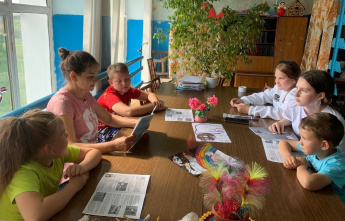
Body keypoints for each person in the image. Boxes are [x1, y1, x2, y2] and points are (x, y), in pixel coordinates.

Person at [0, 110, 102, 220]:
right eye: (63, 134)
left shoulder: (55, 154)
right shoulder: (23, 172)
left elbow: (94, 152)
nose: (67, 135)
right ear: (49, 149)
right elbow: (34, 216)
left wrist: (82, 167)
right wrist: (73, 186)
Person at [47, 48, 137, 153]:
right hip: (78, 163)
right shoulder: (62, 103)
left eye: (95, 75)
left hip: (93, 152)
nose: (96, 80)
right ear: (74, 76)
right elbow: (70, 146)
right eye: (90, 76)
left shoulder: (85, 94)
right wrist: (112, 146)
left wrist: (135, 122)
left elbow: (109, 118)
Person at [269, 70, 345, 156]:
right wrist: (281, 123)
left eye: (304, 90)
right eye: (297, 88)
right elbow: (290, 118)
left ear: (320, 96)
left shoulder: (333, 120)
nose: (296, 94)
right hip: (299, 150)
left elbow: (339, 152)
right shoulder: (295, 105)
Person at [279, 113, 345, 203]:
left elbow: (309, 183)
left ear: (324, 145)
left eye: (304, 138)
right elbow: (284, 142)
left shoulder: (336, 164)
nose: (300, 142)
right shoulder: (316, 150)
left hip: (336, 207)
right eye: (301, 137)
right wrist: (288, 157)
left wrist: (301, 165)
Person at [97, 63, 166, 124]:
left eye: (126, 79)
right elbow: (128, 112)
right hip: (105, 129)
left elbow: (149, 94)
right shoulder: (109, 95)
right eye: (119, 81)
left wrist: (155, 101)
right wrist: (153, 107)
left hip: (119, 123)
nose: (124, 84)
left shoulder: (128, 90)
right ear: (111, 83)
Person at [230, 61, 301, 120]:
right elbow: (263, 96)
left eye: (281, 78)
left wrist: (250, 110)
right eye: (276, 77)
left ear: (294, 80)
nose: (276, 81)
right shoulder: (279, 88)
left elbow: (280, 114)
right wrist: (244, 100)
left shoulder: (295, 95)